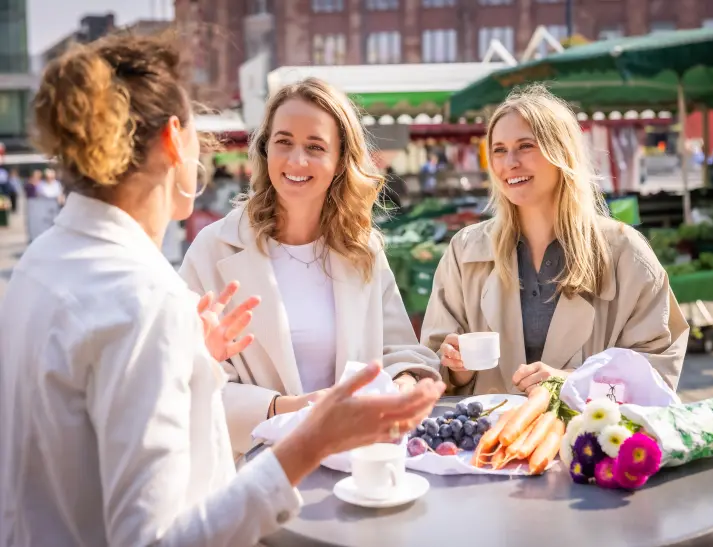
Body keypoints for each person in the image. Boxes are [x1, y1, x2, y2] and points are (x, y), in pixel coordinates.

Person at [0, 33, 445, 546]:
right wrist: (310, 436)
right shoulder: (148, 300)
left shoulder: (39, 263)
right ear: (174, 139)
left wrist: (200, 365)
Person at [179, 77, 441, 460]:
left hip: (357, 470)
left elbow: (400, 350)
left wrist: (402, 385)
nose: (296, 160)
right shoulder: (212, 250)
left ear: (339, 161)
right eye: (283, 142)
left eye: (315, 147)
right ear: (265, 149)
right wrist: (293, 408)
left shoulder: (363, 250)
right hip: (253, 471)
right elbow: (187, 378)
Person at [420, 85, 689, 397]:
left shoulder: (625, 253)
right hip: (490, 441)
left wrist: (573, 383)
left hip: (588, 440)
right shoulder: (464, 251)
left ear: (561, 152)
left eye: (525, 146)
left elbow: (656, 372)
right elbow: (430, 361)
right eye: (499, 150)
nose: (510, 162)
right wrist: (455, 370)